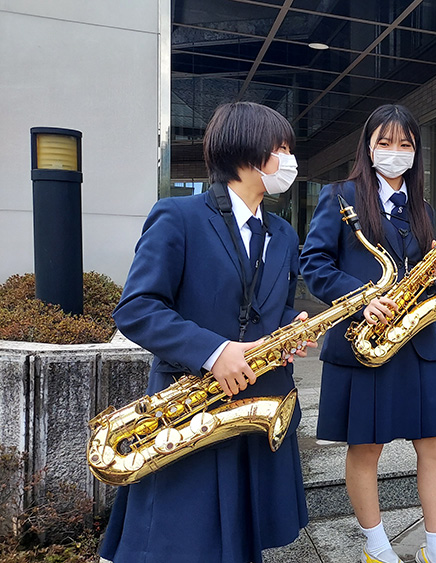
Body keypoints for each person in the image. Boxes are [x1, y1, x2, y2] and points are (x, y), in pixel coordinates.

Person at [100, 101, 313, 563]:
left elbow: (270, 305)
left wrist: (289, 326)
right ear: (247, 150)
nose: (288, 160)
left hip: (260, 402)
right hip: (191, 406)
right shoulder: (177, 216)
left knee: (242, 540)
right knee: (184, 541)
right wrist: (214, 351)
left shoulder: (284, 233)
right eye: (280, 148)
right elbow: (136, 308)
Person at [300, 104, 436, 563]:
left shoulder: (423, 207)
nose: (394, 152)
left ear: (416, 151)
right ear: (368, 147)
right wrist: (361, 298)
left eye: (404, 144)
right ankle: (376, 547)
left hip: (416, 342)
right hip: (363, 342)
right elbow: (314, 265)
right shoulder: (339, 196)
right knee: (366, 449)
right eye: (384, 143)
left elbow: (420, 275)